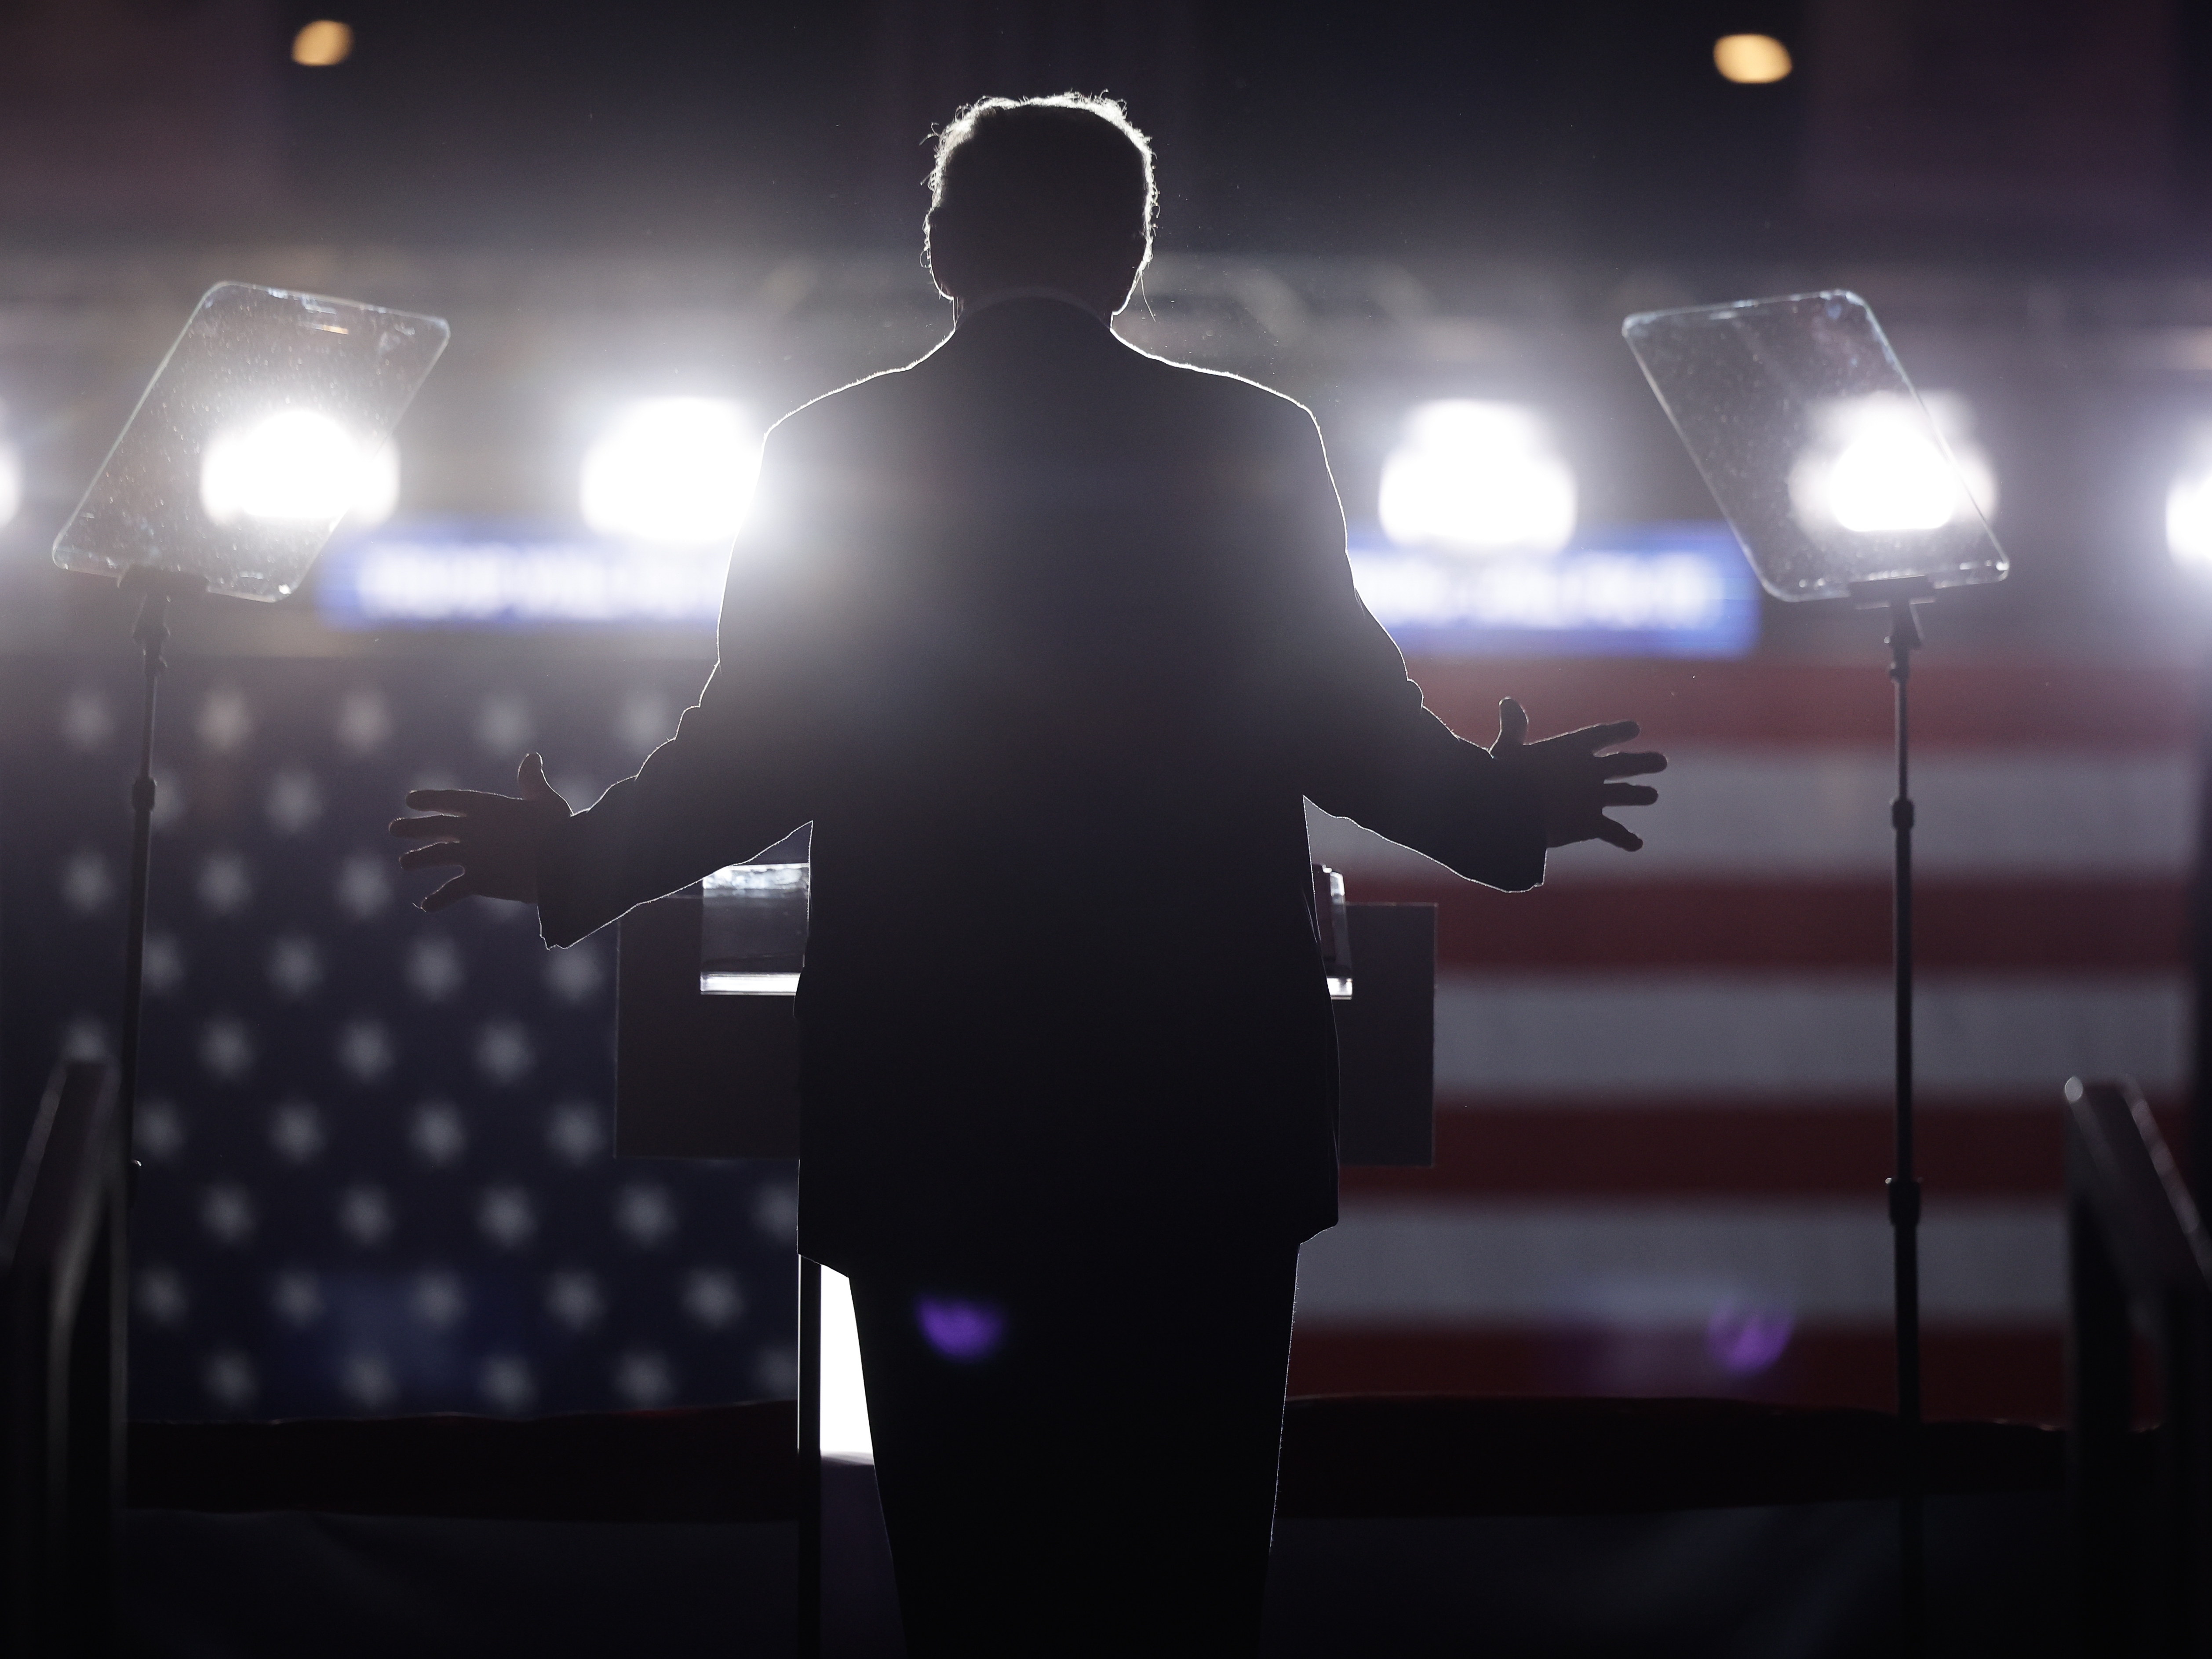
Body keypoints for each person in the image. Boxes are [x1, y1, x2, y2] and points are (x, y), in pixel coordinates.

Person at [390, 93, 1663, 1657]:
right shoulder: (1249, 441)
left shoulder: (834, 448)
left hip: (936, 1124)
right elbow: (1344, 725)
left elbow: (756, 752)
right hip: (1202, 1121)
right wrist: (1503, 813)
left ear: (938, 248)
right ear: (1134, 251)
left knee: (973, 1573)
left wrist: (579, 857)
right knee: (1188, 1572)